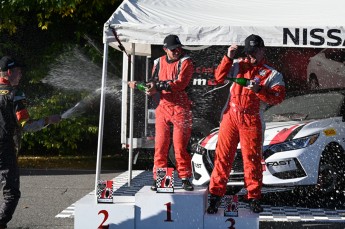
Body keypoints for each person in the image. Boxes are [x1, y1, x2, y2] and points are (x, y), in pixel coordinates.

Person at [206, 34, 286, 214]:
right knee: (223, 157)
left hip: (252, 119)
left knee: (252, 160)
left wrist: (259, 90)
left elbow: (278, 97)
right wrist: (228, 57)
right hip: (231, 116)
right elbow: (218, 78)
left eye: (254, 52)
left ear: (262, 50)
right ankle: (215, 196)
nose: (250, 57)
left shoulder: (272, 73)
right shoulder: (236, 64)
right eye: (248, 52)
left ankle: (254, 197)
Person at [0, 56, 61, 228]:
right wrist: (48, 120)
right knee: (11, 193)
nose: (21, 75)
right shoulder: (15, 95)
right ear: (10, 72)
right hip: (4, 149)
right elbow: (26, 125)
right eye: (19, 72)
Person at [128, 34, 194, 191]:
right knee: (161, 145)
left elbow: (179, 84)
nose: (177, 51)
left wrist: (156, 87)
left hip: (181, 108)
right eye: (173, 49)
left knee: (179, 146)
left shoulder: (186, 62)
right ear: (165, 49)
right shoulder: (158, 62)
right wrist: (141, 86)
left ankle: (185, 178)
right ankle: (160, 179)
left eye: (178, 48)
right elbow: (153, 83)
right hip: (163, 107)